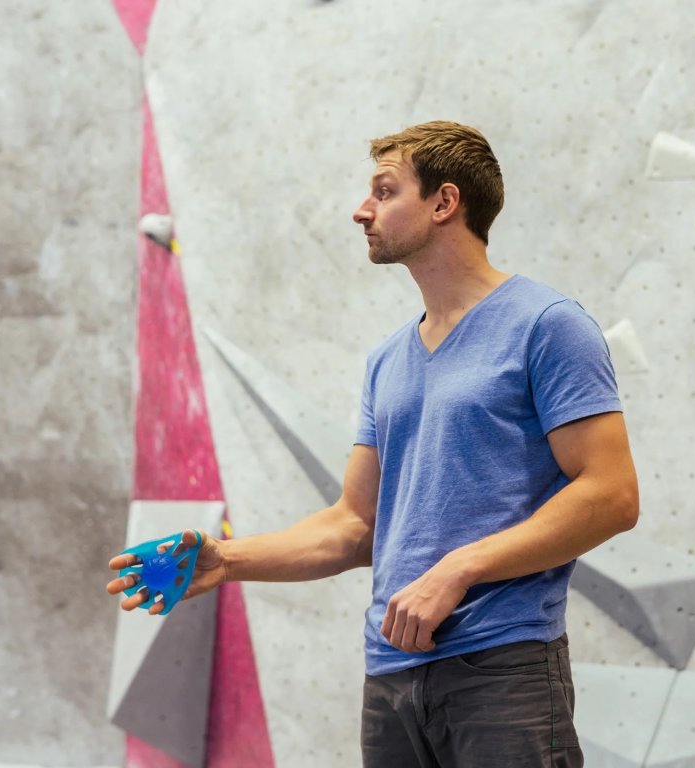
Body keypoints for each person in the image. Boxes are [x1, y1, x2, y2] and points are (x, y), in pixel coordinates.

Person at [108, 120, 639, 767]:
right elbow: (355, 524)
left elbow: (611, 494)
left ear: (444, 202)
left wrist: (458, 568)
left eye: (385, 191)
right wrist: (227, 559)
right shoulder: (387, 361)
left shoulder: (548, 326)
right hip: (391, 678)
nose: (362, 210)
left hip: (503, 669)